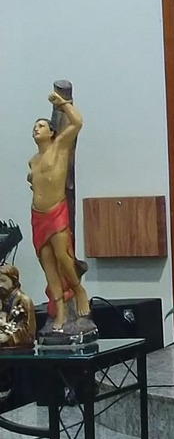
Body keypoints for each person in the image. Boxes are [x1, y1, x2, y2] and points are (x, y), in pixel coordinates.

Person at [28, 92, 92, 331]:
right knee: (48, 264)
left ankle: (78, 290)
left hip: (56, 212)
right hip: (38, 215)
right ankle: (60, 312)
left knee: (63, 257)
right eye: (34, 126)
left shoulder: (60, 147)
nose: (36, 129)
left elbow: (77, 122)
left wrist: (63, 103)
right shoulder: (33, 161)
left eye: (41, 126)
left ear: (52, 132)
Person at [0, 265, 36, 348]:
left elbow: (29, 333)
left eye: (3, 281)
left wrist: (9, 337)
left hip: (19, 350)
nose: (0, 285)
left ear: (13, 280)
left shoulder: (24, 301)